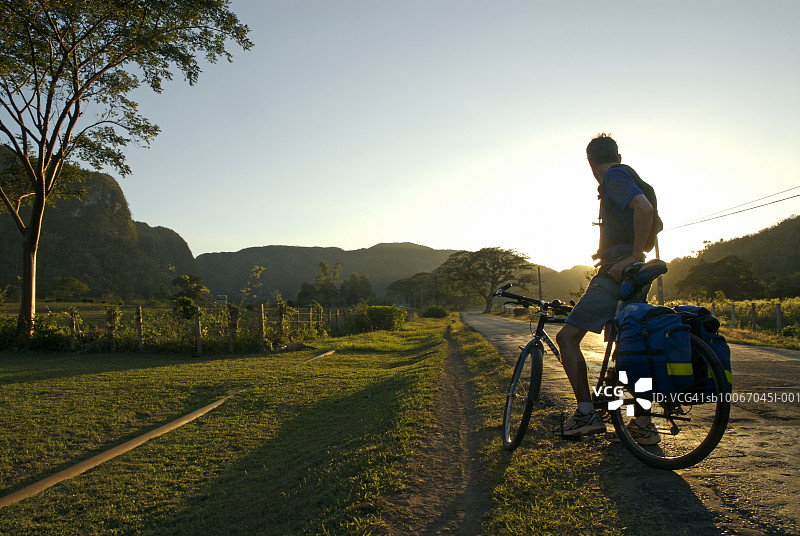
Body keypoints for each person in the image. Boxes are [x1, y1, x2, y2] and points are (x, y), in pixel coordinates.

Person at [554, 133, 660, 444]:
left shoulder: (614, 176)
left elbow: (643, 210)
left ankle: (586, 413)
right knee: (629, 348)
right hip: (635, 277)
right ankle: (642, 423)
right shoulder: (628, 174)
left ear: (590, 162)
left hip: (618, 273)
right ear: (618, 156)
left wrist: (632, 255)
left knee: (567, 337)